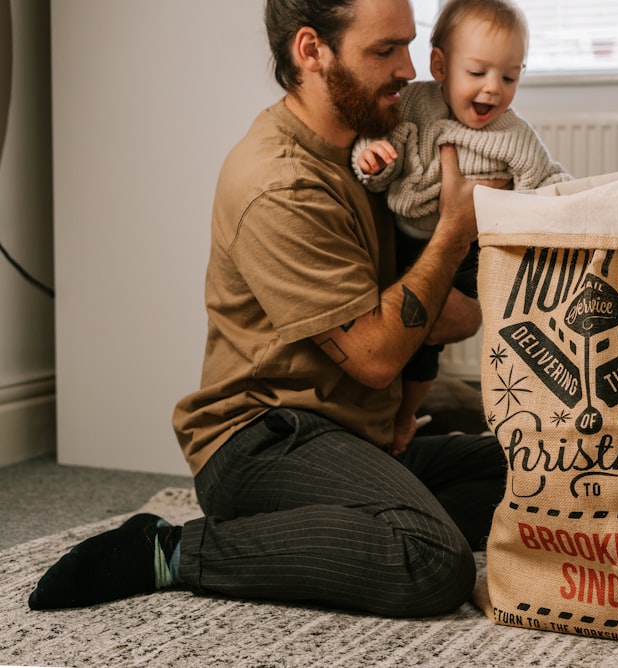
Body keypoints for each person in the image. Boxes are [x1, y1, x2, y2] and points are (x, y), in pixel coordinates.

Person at [28, 0, 509, 618]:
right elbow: (376, 356)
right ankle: (168, 549)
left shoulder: (384, 152)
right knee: (431, 561)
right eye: (383, 50)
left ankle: (363, 519)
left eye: (408, 46)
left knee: (535, 467)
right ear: (311, 51)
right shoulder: (278, 182)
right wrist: (451, 233)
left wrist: (421, 293)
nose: (408, 69)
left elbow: (461, 315)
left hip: (355, 430)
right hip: (261, 438)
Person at [352, 0, 572, 447]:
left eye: (509, 77)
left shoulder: (513, 136)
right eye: (478, 73)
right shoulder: (413, 103)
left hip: (470, 250)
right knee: (392, 324)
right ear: (440, 65)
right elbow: (380, 145)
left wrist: (570, 199)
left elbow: (545, 179)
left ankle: (406, 419)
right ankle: (382, 415)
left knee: (431, 341)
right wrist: (370, 160)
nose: (493, 89)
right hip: (405, 236)